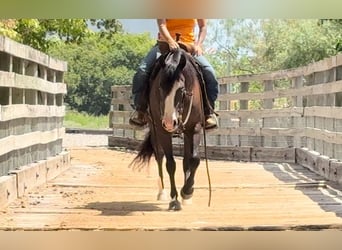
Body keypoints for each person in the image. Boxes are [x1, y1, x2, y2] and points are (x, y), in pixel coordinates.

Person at [129, 19, 218, 129]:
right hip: (165, 45)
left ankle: (208, 112)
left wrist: (199, 44)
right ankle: (140, 110)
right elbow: (161, 24)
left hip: (189, 46)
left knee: (209, 72)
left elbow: (203, 27)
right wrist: (170, 41)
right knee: (142, 72)